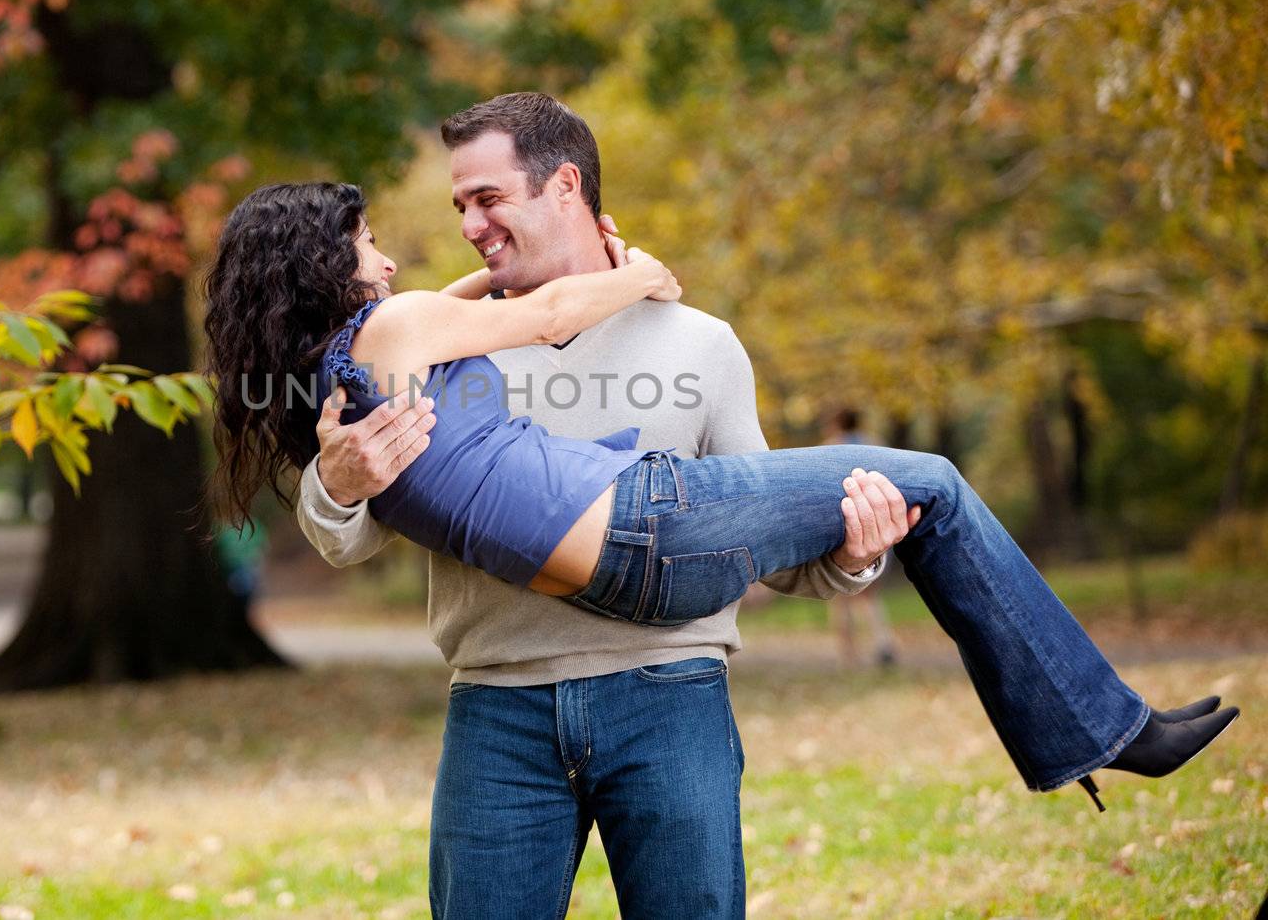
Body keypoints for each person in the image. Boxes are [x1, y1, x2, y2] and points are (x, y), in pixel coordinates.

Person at [203, 94, 1236, 918]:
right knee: (939, 476)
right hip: (511, 692)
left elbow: (785, 556)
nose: (451, 233)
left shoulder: (678, 345)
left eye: (484, 199)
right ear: (330, 267)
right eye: (433, 216)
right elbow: (349, 524)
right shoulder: (410, 353)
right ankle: (1101, 727)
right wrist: (342, 485)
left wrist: (858, 553)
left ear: (562, 185)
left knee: (913, 491)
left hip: (667, 681)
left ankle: (1102, 728)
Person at [821, 406, 899, 668]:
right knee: (870, 595)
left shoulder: (830, 447)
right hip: (876, 525)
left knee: (840, 595)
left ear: (837, 423)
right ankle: (882, 641)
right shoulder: (876, 445)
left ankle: (849, 655)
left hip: (843, 527)